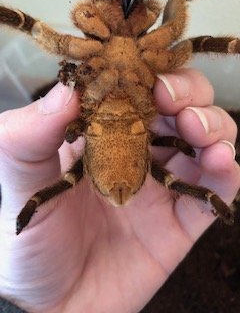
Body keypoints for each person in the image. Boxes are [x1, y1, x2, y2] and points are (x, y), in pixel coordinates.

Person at [0, 69, 239, 313]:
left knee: (166, 171)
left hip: (111, 128)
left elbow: (72, 133)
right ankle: (208, 197)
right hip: (130, 127)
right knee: (169, 177)